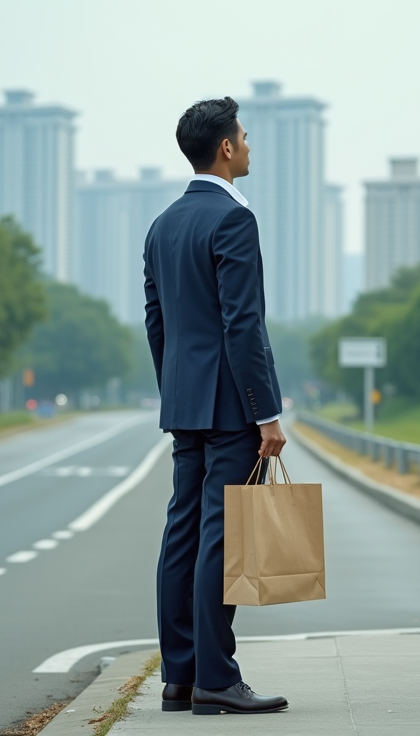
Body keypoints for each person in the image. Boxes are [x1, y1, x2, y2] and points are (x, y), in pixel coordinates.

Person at [143, 97, 288, 716]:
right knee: (219, 538)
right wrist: (267, 413)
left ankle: (180, 676)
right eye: (245, 138)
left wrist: (176, 387)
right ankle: (216, 679)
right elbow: (243, 325)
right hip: (231, 406)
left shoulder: (163, 225)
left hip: (184, 402)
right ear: (225, 148)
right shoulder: (233, 220)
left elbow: (157, 323)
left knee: (182, 534)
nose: (250, 146)